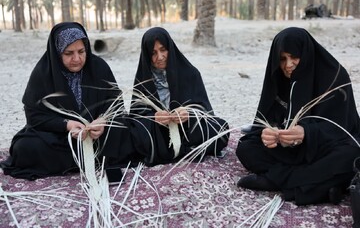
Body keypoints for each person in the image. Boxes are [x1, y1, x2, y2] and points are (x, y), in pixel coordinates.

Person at [236, 27, 360, 205]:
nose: (288, 65)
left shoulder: (334, 76)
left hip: (325, 148)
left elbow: (342, 128)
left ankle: (275, 180)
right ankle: (321, 186)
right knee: (246, 148)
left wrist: (307, 133)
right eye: (282, 59)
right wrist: (269, 134)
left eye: (294, 57)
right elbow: (265, 120)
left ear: (307, 53)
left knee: (352, 155)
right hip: (289, 151)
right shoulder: (278, 78)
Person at [0, 22, 135, 180]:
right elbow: (34, 117)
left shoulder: (99, 67)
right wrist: (66, 125)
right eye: (68, 53)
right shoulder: (43, 74)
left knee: (128, 132)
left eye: (81, 51)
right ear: (57, 53)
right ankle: (87, 159)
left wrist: (103, 121)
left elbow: (117, 105)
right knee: (24, 148)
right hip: (61, 139)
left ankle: (80, 159)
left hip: (96, 136)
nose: (77, 59)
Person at [129, 27, 229, 166]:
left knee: (221, 128)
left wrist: (188, 114)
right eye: (153, 53)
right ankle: (184, 152)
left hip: (187, 132)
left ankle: (175, 151)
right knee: (127, 134)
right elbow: (136, 116)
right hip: (159, 135)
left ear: (170, 48)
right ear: (146, 56)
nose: (160, 57)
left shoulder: (190, 73)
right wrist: (154, 117)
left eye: (163, 50)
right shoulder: (143, 79)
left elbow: (204, 110)